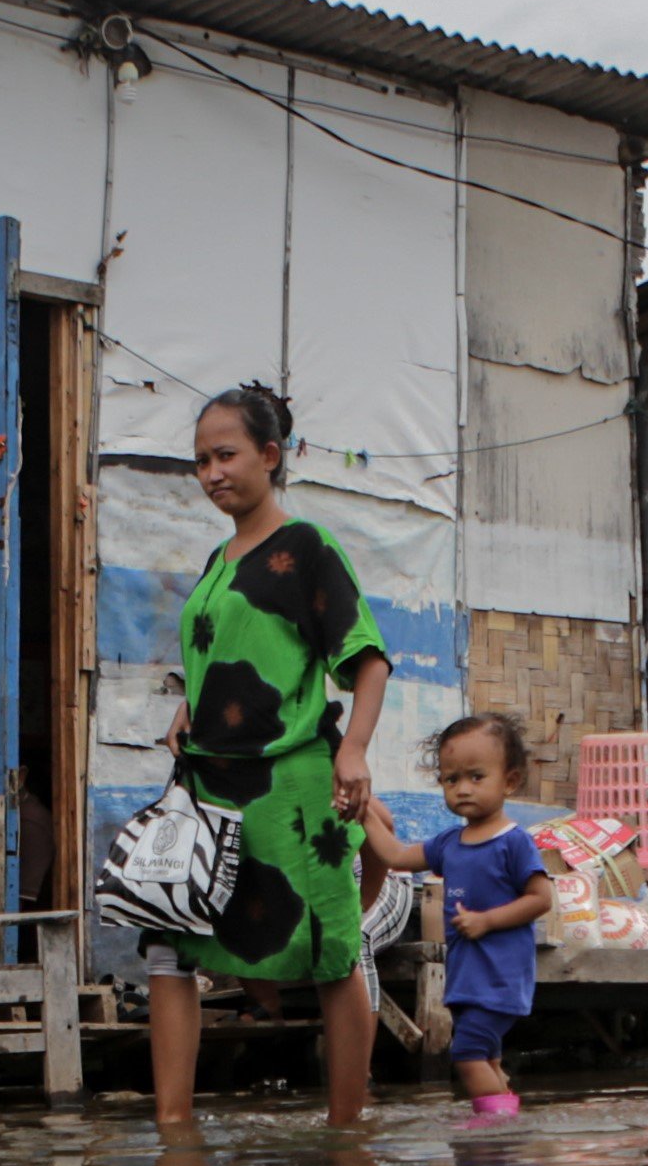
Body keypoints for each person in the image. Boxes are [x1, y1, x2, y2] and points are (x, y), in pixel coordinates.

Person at [147, 382, 390, 1128]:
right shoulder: (218, 560)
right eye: (200, 461)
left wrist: (353, 750)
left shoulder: (307, 547)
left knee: (330, 952)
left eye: (226, 455)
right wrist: (187, 710)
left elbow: (367, 658)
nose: (211, 473)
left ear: (270, 455)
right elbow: (220, 654)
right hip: (207, 790)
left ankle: (347, 1135)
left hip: (292, 788)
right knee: (167, 944)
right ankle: (174, 1132)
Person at [363, 714, 553, 1120]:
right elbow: (396, 856)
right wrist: (365, 816)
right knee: (489, 1059)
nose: (463, 788)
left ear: (510, 781)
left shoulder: (514, 842)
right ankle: (507, 1128)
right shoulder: (450, 843)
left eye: (476, 777)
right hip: (468, 978)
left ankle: (495, 1129)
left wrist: (487, 921)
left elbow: (540, 898)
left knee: (466, 1054)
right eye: (452, 780)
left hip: (499, 977)